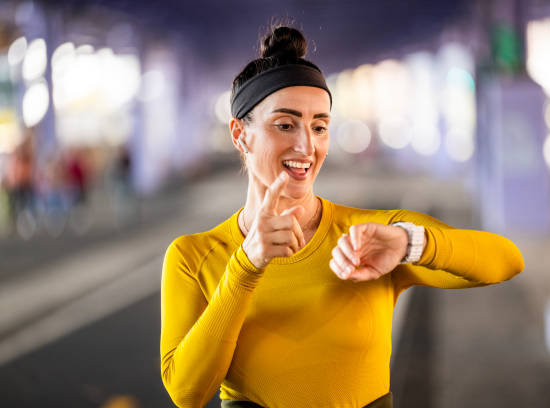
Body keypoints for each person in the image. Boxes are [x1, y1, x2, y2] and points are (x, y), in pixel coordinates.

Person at [160, 25, 525, 408]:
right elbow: (188, 394)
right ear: (240, 134)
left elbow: (507, 261)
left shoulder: (371, 237)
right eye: (285, 125)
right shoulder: (194, 256)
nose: (306, 145)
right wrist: (246, 266)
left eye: (319, 126)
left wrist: (409, 242)